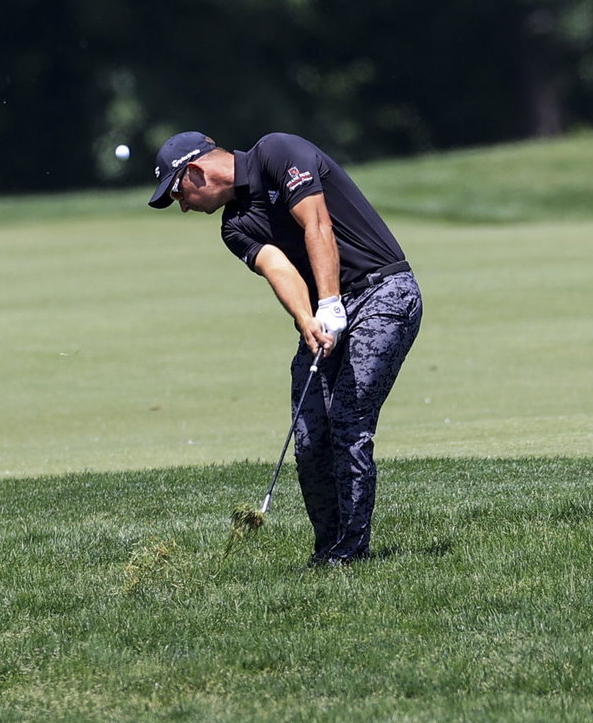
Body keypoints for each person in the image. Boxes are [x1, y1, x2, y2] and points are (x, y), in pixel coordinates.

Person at [148, 130, 423, 566]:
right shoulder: (233, 228)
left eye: (178, 192)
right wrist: (307, 318)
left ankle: (351, 552)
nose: (182, 206)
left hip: (383, 293)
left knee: (348, 422)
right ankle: (328, 548)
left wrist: (330, 301)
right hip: (325, 312)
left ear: (196, 170)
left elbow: (317, 223)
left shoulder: (277, 152)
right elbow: (278, 268)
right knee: (310, 435)